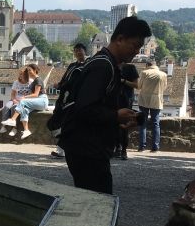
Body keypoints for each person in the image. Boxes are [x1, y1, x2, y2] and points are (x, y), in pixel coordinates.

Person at [59, 16, 151, 194]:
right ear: (120, 39)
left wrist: (119, 119)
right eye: (135, 45)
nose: (137, 51)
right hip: (87, 148)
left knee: (94, 200)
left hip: (87, 146)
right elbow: (84, 109)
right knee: (97, 204)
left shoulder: (106, 63)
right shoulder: (103, 66)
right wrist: (116, 116)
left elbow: (96, 106)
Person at [51, 42, 88, 159]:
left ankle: (62, 150)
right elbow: (65, 78)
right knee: (59, 122)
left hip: (75, 100)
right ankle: (63, 149)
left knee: (67, 124)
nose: (78, 52)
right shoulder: (72, 65)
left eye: (80, 50)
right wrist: (60, 85)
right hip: (65, 97)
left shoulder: (87, 65)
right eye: (76, 50)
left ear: (84, 51)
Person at [1, 63, 48, 140]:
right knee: (24, 110)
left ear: (35, 70)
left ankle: (12, 120)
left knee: (22, 101)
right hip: (37, 101)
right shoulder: (33, 81)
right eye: (27, 71)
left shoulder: (38, 80)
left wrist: (24, 97)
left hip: (42, 100)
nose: (28, 72)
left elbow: (36, 94)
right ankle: (26, 130)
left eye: (30, 70)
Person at [136, 59, 167, 153]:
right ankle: (155, 147)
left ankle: (142, 146)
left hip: (144, 99)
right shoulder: (163, 74)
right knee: (155, 124)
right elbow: (164, 87)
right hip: (156, 100)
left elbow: (139, 86)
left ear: (147, 65)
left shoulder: (144, 72)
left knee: (142, 123)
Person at [115, 60, 140, 160]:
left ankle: (123, 150)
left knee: (125, 124)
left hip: (126, 99)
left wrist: (123, 81)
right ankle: (117, 148)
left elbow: (136, 85)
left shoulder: (131, 68)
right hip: (114, 99)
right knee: (114, 124)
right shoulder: (113, 65)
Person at [0, 66, 31, 134]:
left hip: (24, 101)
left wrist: (22, 100)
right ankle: (3, 126)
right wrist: (13, 100)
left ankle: (14, 128)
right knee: (6, 107)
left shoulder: (30, 82)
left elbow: (32, 94)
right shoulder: (16, 82)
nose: (20, 76)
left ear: (26, 75)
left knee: (14, 108)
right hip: (15, 99)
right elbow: (13, 94)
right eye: (20, 74)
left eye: (22, 74)